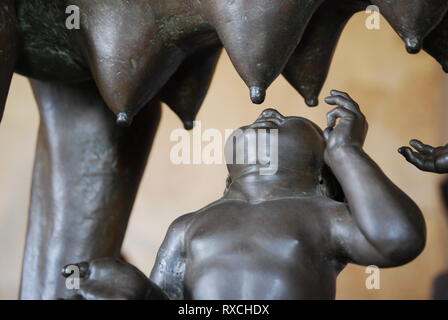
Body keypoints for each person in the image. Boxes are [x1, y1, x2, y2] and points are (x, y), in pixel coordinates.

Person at [62, 90, 426, 300]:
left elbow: (396, 240)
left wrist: (348, 151)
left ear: (319, 168)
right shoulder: (189, 226)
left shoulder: (323, 215)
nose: (268, 111)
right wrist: (130, 289)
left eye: (289, 121)